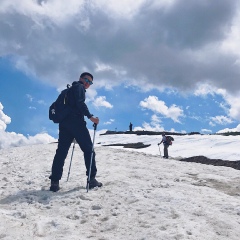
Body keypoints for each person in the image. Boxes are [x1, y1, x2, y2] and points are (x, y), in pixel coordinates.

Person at [49, 72, 102, 192]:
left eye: (90, 82)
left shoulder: (68, 90)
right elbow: (80, 103)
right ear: (80, 79)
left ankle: (54, 182)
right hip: (76, 123)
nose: (87, 83)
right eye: (86, 80)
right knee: (89, 150)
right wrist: (90, 116)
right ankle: (91, 179)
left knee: (61, 152)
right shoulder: (79, 87)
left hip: (64, 124)